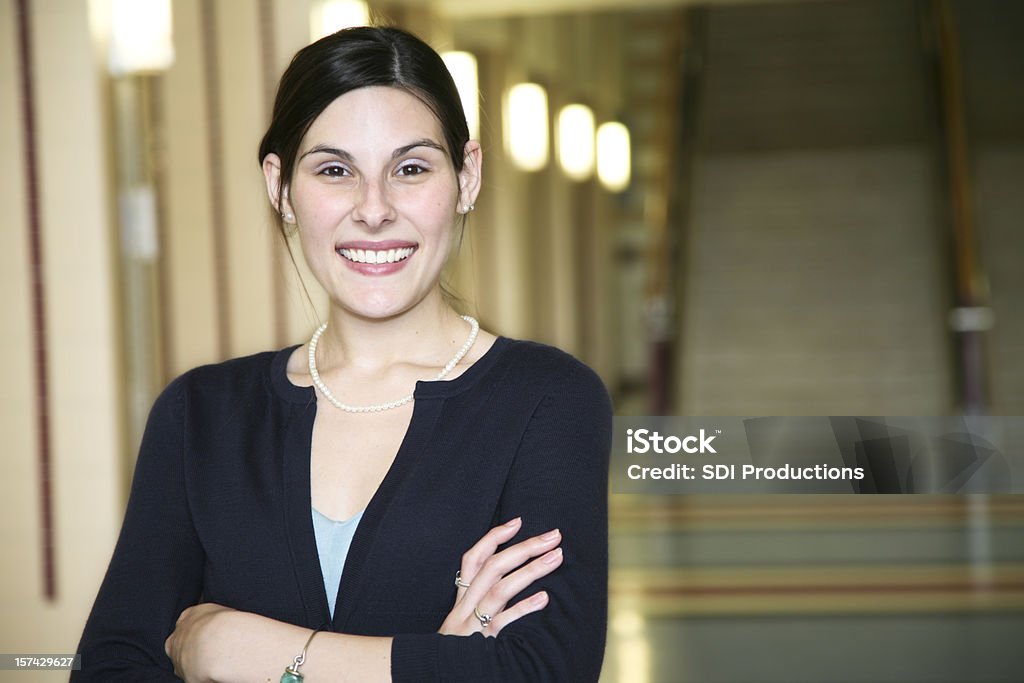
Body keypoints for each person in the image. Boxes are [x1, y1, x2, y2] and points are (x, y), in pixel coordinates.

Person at [73, 25, 611, 682]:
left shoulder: (547, 400)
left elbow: (542, 670)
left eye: (410, 168)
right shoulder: (199, 415)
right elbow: (112, 668)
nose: (374, 209)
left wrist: (233, 648)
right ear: (280, 187)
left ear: (467, 176)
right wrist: (437, 659)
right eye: (334, 170)